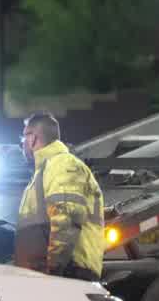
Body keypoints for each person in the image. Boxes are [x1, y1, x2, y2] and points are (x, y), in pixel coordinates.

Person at [14, 111, 105, 280]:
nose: (22, 145)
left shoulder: (62, 164)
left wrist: (54, 269)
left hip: (68, 273)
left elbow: (66, 218)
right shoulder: (44, 170)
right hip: (50, 273)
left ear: (32, 138)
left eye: (23, 138)